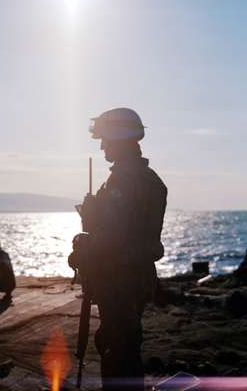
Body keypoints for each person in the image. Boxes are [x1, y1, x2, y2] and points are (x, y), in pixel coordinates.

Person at [70, 108, 167, 390]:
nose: (102, 146)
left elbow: (113, 238)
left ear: (119, 138)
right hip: (133, 277)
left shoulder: (124, 181)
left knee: (119, 351)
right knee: (117, 344)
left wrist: (83, 248)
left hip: (120, 279)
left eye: (105, 139)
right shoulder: (147, 179)